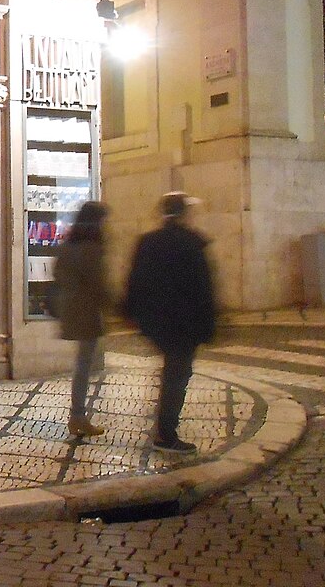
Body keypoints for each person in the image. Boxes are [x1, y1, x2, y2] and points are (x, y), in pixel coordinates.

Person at [123, 192, 218, 454]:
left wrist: (132, 313)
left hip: (157, 321)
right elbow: (204, 287)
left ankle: (164, 427)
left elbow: (135, 281)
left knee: (171, 372)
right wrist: (209, 325)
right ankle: (166, 434)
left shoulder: (148, 242)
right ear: (184, 213)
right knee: (177, 375)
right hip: (185, 323)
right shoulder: (192, 242)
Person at [52, 201, 110, 438]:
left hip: (71, 311)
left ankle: (78, 415)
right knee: (84, 366)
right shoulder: (91, 249)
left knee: (83, 365)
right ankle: (77, 416)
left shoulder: (68, 246)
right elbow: (99, 285)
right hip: (87, 314)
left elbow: (58, 274)